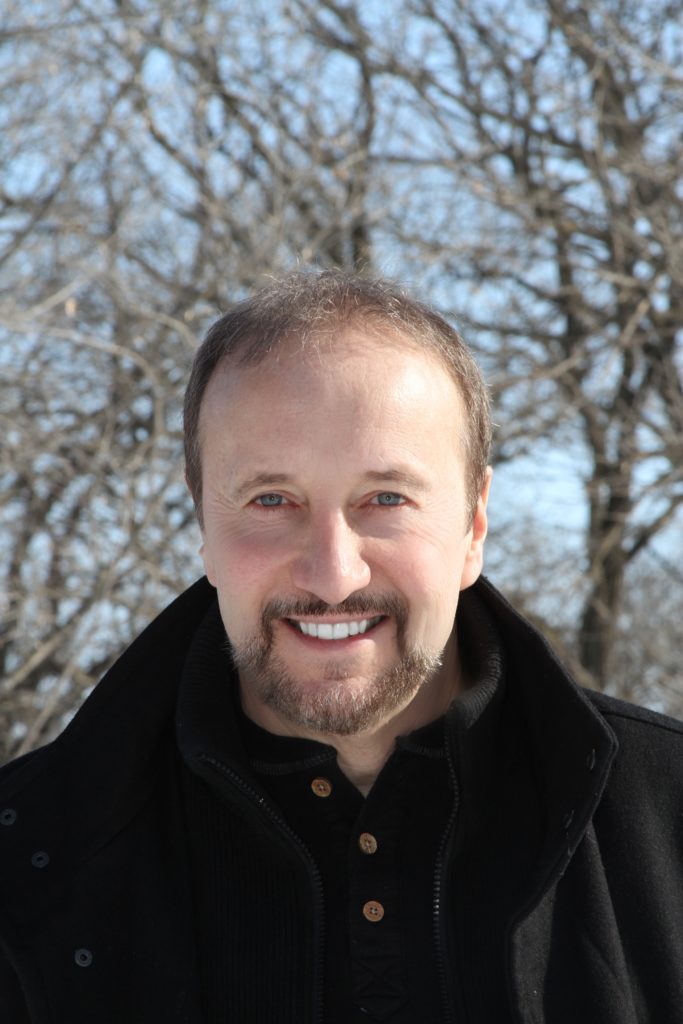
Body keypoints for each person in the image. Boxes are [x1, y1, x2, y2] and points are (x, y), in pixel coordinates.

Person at [0, 271, 681, 1024]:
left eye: (386, 498)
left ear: (475, 524)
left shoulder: (664, 817)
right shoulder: (29, 859)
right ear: (202, 523)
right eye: (271, 500)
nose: (332, 575)